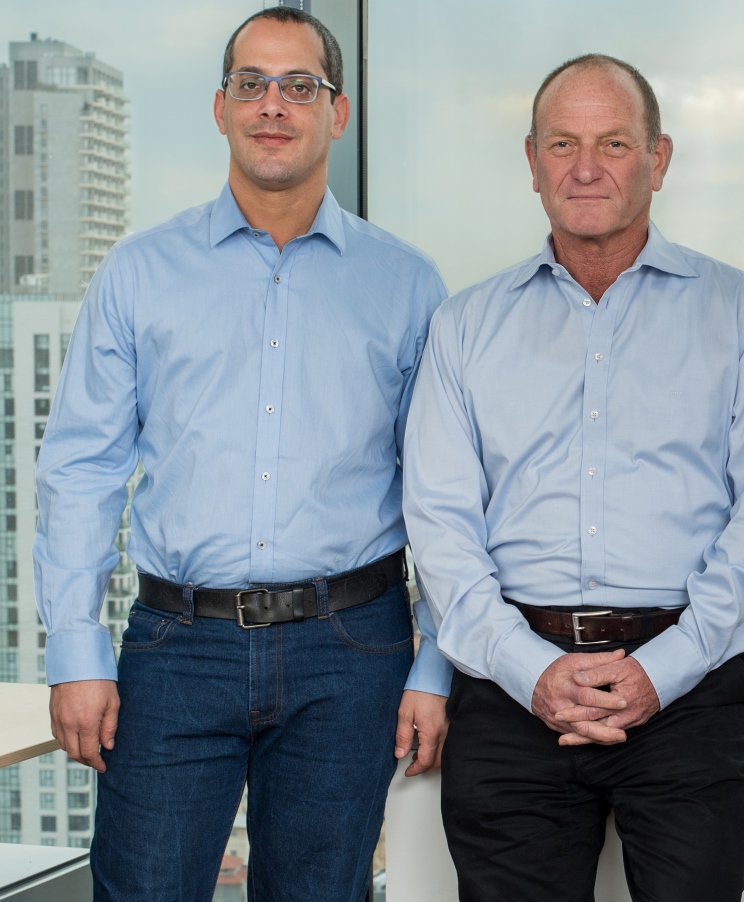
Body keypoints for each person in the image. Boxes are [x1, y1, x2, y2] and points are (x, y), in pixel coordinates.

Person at [35, 8, 452, 901]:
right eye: (251, 83)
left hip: (352, 651)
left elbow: (442, 494)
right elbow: (81, 470)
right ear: (220, 106)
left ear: (337, 112)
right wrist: (75, 648)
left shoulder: (408, 285)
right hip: (176, 647)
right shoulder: (138, 273)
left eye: (300, 85)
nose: (273, 105)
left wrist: (435, 663)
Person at [402, 53, 744, 902]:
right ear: (532, 161)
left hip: (690, 695)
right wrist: (529, 670)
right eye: (562, 144)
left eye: (613, 143)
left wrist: (665, 670)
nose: (586, 168)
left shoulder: (739, 313)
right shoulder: (464, 327)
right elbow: (439, 531)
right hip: (507, 697)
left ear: (658, 159)